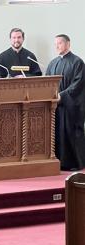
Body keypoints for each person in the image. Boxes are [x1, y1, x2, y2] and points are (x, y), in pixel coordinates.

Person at [46, 34, 85, 171]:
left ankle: (75, 163)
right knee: (57, 134)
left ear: (68, 44)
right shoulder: (53, 63)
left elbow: (78, 84)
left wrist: (61, 96)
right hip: (56, 107)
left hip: (71, 106)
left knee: (70, 133)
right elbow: (47, 83)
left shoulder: (77, 62)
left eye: (60, 43)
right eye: (55, 43)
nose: (57, 46)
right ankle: (59, 162)